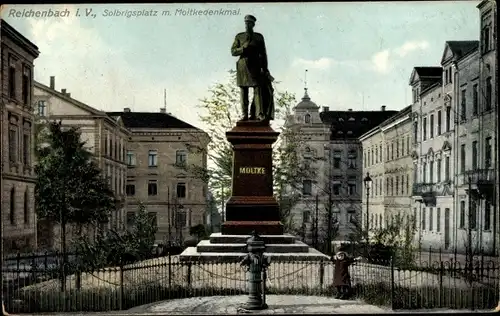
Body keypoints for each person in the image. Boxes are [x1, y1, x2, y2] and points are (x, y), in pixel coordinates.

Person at [231, 15, 274, 122]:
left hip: (255, 67)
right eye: (246, 23)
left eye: (249, 23)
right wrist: (242, 48)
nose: (247, 25)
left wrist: (265, 69)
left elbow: (263, 54)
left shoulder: (259, 37)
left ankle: (259, 114)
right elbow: (233, 51)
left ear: (253, 24)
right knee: (243, 92)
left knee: (258, 91)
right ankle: (244, 115)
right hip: (242, 67)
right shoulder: (239, 36)